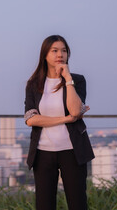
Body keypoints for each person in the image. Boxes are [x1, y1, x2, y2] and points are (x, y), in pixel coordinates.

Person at [24, 35, 95, 210]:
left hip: (73, 151)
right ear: (45, 54)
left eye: (64, 50)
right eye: (54, 50)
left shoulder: (77, 80)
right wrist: (65, 119)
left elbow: (75, 111)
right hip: (43, 153)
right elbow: (31, 119)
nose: (60, 54)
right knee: (44, 205)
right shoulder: (34, 84)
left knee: (78, 203)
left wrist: (67, 79)